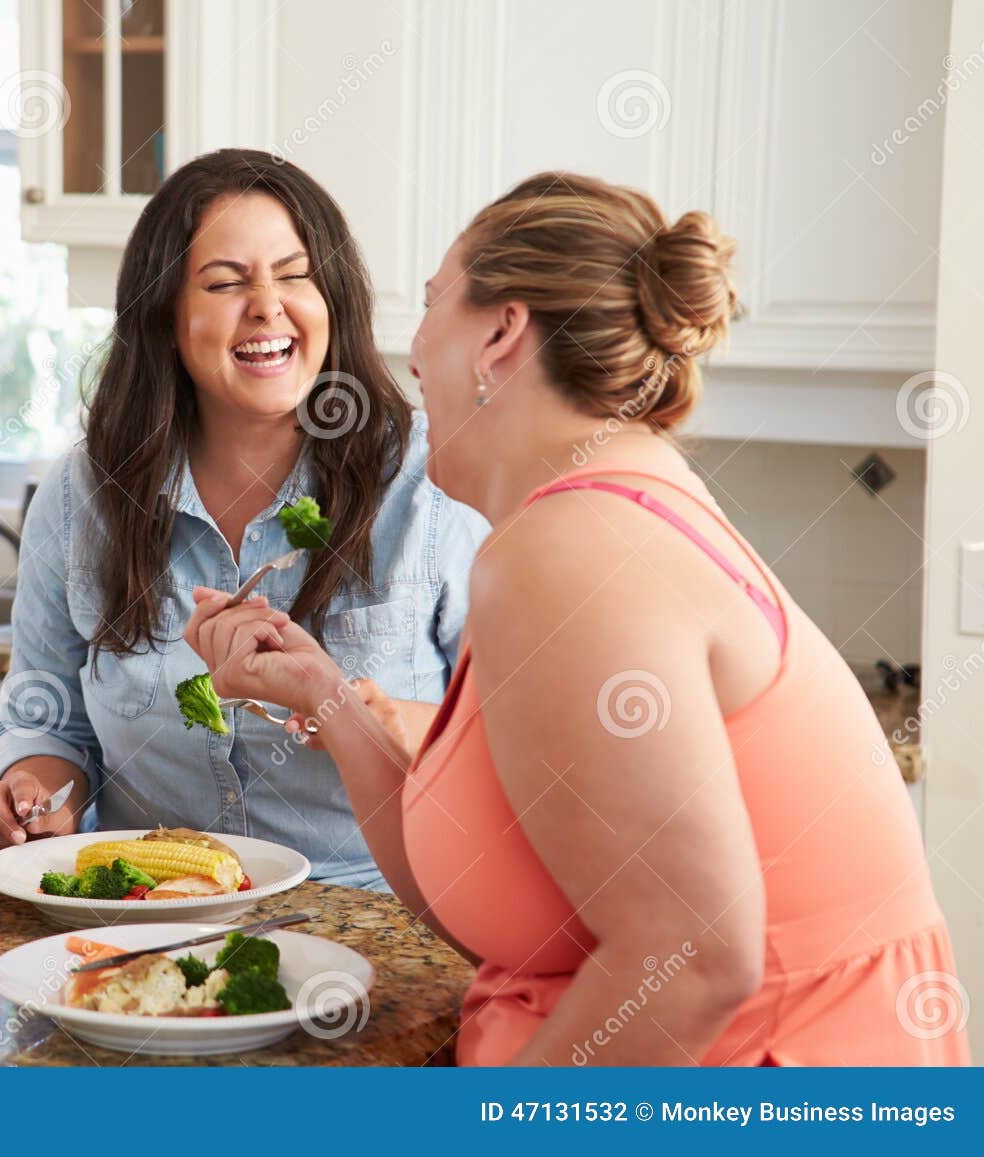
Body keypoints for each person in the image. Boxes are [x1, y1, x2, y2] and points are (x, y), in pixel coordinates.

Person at [183, 171, 970, 1064]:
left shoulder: (571, 549)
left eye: (435, 303)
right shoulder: (569, 522)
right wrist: (323, 693)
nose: (410, 352)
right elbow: (494, 894)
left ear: (500, 333)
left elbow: (699, 960)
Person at [0, 149, 488, 890]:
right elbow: (49, 717)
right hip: (151, 918)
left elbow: (509, 739)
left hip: (378, 916)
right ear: (167, 317)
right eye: (225, 283)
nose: (267, 306)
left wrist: (360, 715)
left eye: (294, 274)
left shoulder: (433, 483)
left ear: (333, 298)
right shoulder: (83, 495)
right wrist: (33, 794)